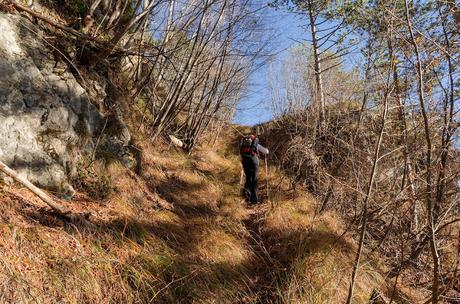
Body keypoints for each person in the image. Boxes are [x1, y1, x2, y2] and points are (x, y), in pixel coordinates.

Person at [240, 133, 269, 204]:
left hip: (245, 161)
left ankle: (246, 194)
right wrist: (266, 149)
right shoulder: (255, 143)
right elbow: (266, 152)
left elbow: (239, 156)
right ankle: (254, 199)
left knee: (248, 177)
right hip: (254, 161)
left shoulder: (243, 145)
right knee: (254, 179)